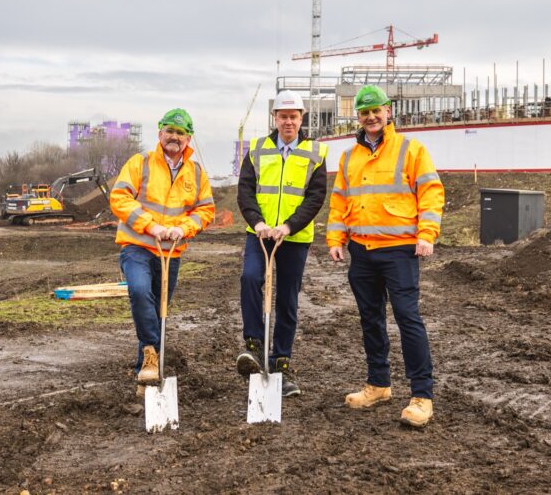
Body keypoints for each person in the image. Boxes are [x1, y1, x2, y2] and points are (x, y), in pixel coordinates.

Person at [326, 85, 444, 428]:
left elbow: (431, 192)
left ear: (388, 112)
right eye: (364, 112)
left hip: (399, 251)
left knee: (408, 318)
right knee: (370, 319)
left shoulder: (411, 149)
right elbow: (339, 201)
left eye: (376, 110)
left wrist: (427, 234)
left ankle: (422, 396)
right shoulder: (349, 157)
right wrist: (336, 238)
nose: (371, 117)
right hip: (361, 252)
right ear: (358, 117)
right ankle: (378, 384)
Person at [110, 108, 215, 394]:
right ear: (160, 134)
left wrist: (183, 228)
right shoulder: (140, 162)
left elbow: (206, 210)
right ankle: (152, 357)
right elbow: (119, 197)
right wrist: (150, 226)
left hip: (171, 253)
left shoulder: (196, 171)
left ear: (188, 138)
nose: (174, 137)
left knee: (158, 311)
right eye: (169, 131)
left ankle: (145, 372)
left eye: (180, 133)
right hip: (138, 246)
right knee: (140, 292)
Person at [235, 91, 328, 397]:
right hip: (260, 234)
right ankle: (254, 345)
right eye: (283, 116)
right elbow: (245, 190)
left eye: (293, 116)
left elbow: (315, 197)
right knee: (250, 278)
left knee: (287, 299)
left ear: (301, 118)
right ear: (274, 118)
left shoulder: (316, 152)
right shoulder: (257, 149)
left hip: (294, 237)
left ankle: (281, 363)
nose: (288, 121)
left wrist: (289, 226)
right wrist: (258, 223)